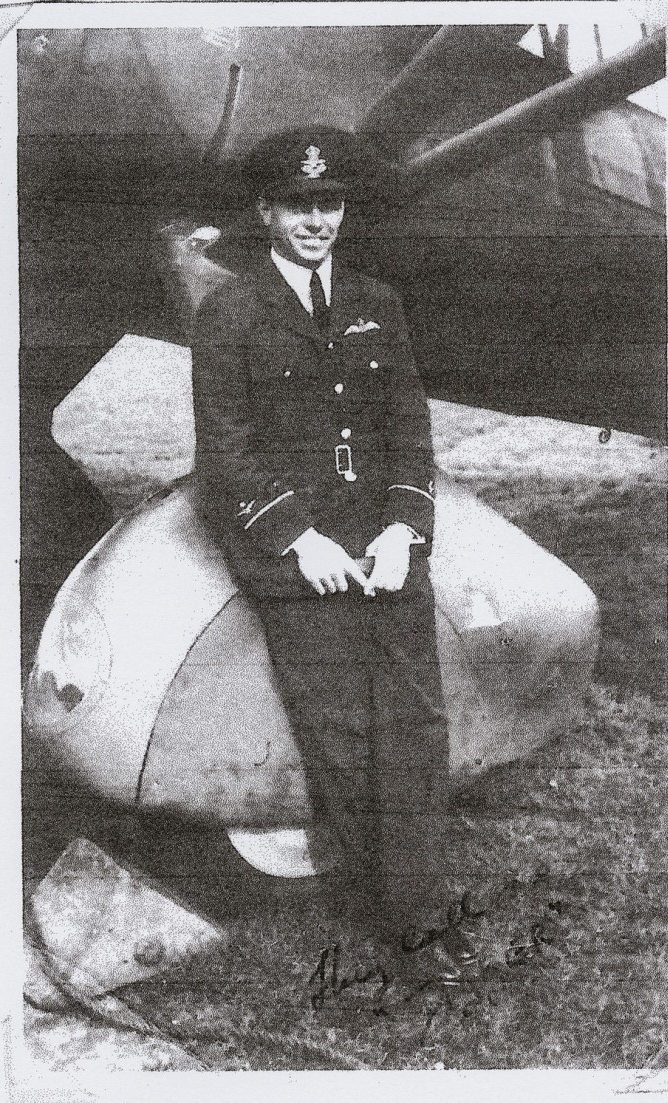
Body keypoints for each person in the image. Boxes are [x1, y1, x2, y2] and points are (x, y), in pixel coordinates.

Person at [189, 127, 454, 954]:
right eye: (299, 204)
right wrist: (299, 540)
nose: (316, 220)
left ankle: (418, 912)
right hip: (299, 556)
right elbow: (226, 451)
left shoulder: (381, 302)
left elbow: (410, 431)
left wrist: (406, 531)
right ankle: (389, 914)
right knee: (340, 732)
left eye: (329, 203)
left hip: (382, 546)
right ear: (266, 210)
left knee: (413, 726)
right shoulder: (227, 312)